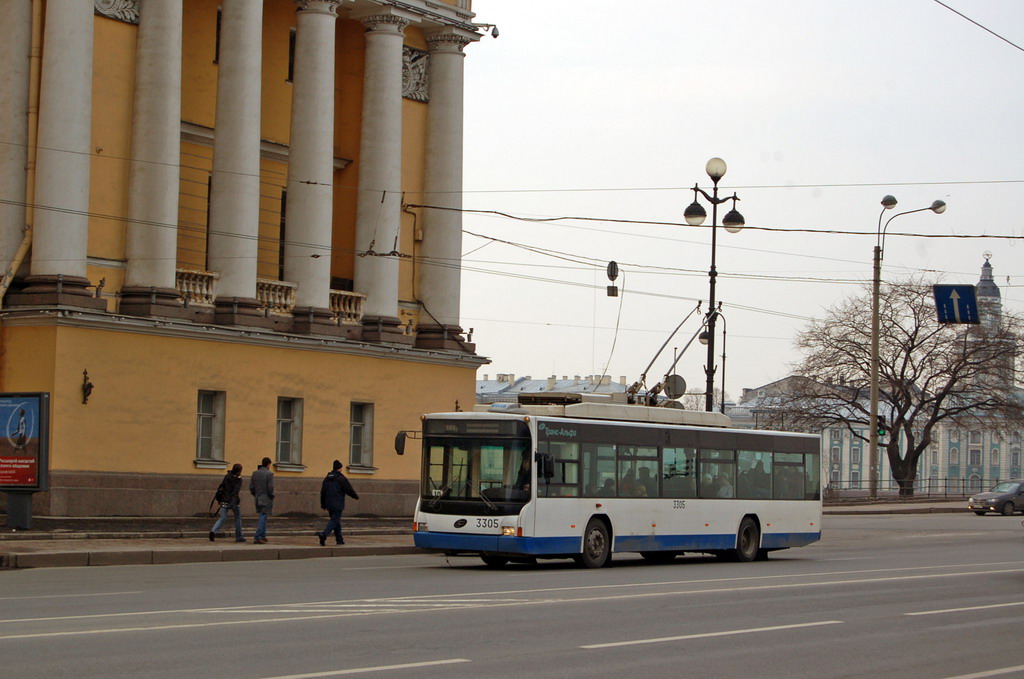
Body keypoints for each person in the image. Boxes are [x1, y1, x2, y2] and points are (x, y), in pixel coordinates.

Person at [318, 459, 359, 546]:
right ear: (340, 468)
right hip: (337, 503)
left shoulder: (327, 478)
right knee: (334, 520)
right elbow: (348, 489)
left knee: (336, 521)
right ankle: (324, 534)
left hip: (328, 503)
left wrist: (323, 504)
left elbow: (323, 492)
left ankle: (339, 540)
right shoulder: (341, 478)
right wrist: (355, 496)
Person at [210, 463, 245, 542]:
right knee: (238, 518)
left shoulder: (227, 476)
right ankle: (239, 536)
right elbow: (235, 492)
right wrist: (233, 503)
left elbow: (221, 487)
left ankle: (213, 531)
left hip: (224, 500)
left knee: (222, 518)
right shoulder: (238, 480)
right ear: (239, 471)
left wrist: (219, 499)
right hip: (234, 502)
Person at [249, 457, 274, 544]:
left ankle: (263, 535)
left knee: (263, 515)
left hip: (257, 497)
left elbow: (251, 487)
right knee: (263, 516)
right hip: (266, 497)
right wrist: (272, 495)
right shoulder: (269, 474)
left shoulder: (255, 473)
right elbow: (270, 487)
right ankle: (258, 536)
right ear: (268, 464)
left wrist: (255, 494)